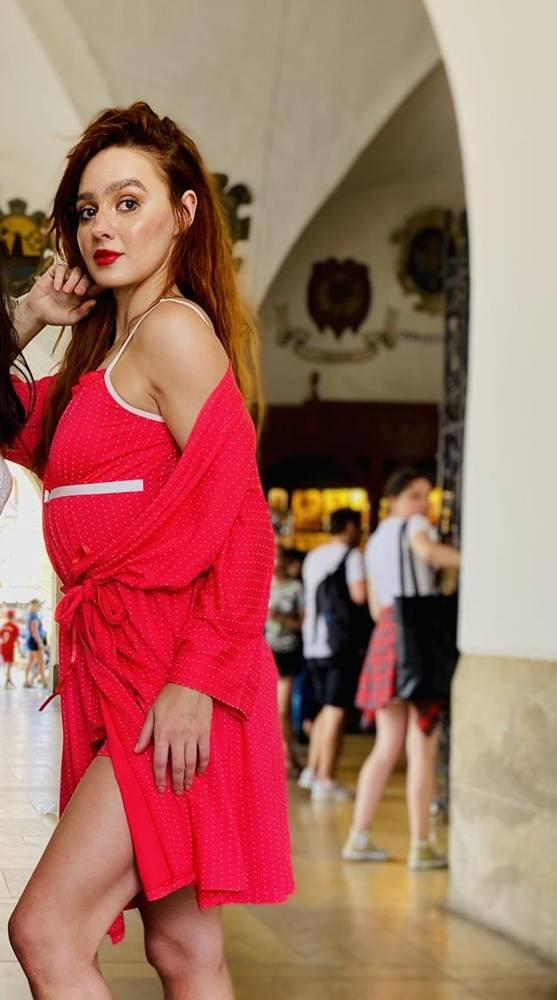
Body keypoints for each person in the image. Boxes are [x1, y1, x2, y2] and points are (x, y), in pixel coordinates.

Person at [4, 102, 294, 999]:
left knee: (46, 931)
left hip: (173, 676)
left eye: (129, 202)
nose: (103, 227)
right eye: (88, 209)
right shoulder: (96, 363)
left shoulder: (173, 332)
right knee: (184, 954)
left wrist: (196, 680)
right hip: (120, 669)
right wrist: (31, 312)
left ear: (183, 212)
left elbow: (245, 524)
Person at [342, 468, 461, 870]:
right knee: (421, 746)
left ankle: (358, 836)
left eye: (427, 496)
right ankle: (420, 844)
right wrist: (475, 561)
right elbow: (428, 553)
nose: (423, 504)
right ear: (394, 499)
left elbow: (377, 608)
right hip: (419, 639)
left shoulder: (375, 540)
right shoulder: (415, 526)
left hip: (388, 635)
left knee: (386, 745)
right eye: (415, 495)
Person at [299, 508, 368, 801]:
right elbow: (359, 595)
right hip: (338, 643)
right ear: (350, 526)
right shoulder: (351, 557)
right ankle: (325, 778)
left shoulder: (314, 556)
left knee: (324, 708)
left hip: (312, 642)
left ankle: (312, 770)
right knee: (335, 710)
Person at [265, 545, 304, 775]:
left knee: (283, 709)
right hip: (264, 652)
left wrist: (279, 618)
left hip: (287, 651)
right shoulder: (262, 584)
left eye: (278, 557)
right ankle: (279, 756)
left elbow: (302, 624)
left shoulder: (295, 588)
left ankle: (288, 755)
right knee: (267, 710)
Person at [23, 598, 48, 690]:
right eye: (38, 605)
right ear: (34, 606)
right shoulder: (34, 617)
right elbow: (35, 632)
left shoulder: (30, 615)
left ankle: (27, 681)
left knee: (30, 662)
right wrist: (40, 643)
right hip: (35, 642)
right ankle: (45, 683)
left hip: (31, 641)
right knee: (41, 663)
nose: (39, 607)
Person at [1, 608, 20, 689]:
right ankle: (7, 681)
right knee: (9, 665)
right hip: (10, 647)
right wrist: (19, 648)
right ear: (13, 617)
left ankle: (9, 680)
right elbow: (16, 639)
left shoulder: (4, 626)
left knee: (7, 664)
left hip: (3, 647)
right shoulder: (14, 627)